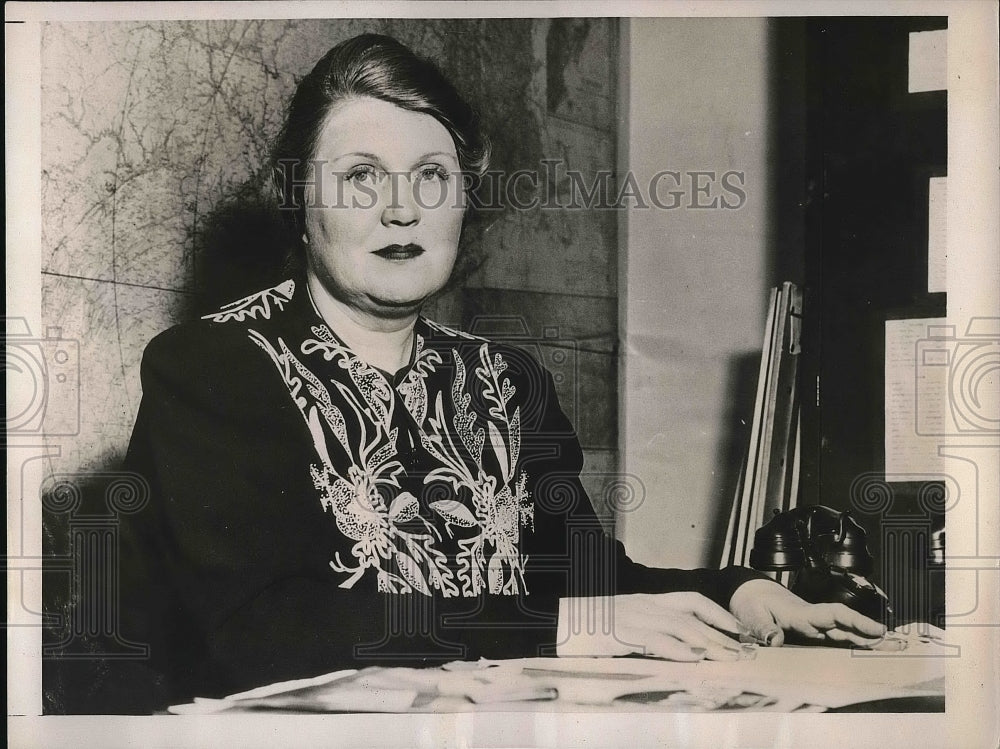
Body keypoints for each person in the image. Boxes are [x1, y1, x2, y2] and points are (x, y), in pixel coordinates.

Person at [110, 33, 885, 713]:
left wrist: (741, 590)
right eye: (361, 177)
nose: (402, 210)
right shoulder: (214, 368)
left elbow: (584, 577)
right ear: (300, 203)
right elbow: (263, 631)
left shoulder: (507, 380)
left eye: (432, 176)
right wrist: (558, 625)